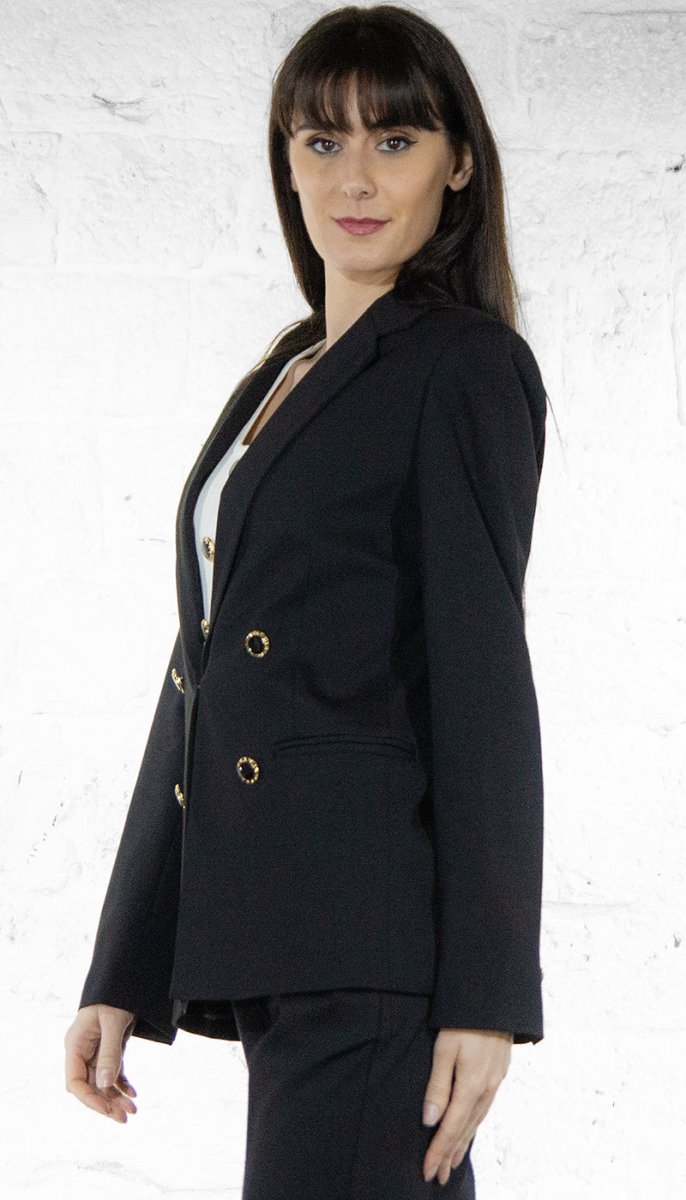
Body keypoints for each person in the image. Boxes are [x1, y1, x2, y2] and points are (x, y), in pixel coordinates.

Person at [64, 5, 549, 1196]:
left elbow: (483, 683)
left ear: (458, 162)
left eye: (395, 141)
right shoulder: (281, 373)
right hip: (282, 941)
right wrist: (124, 964)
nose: (354, 179)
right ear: (285, 161)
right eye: (320, 142)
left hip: (373, 948)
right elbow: (203, 676)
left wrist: (486, 995)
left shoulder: (460, 367)